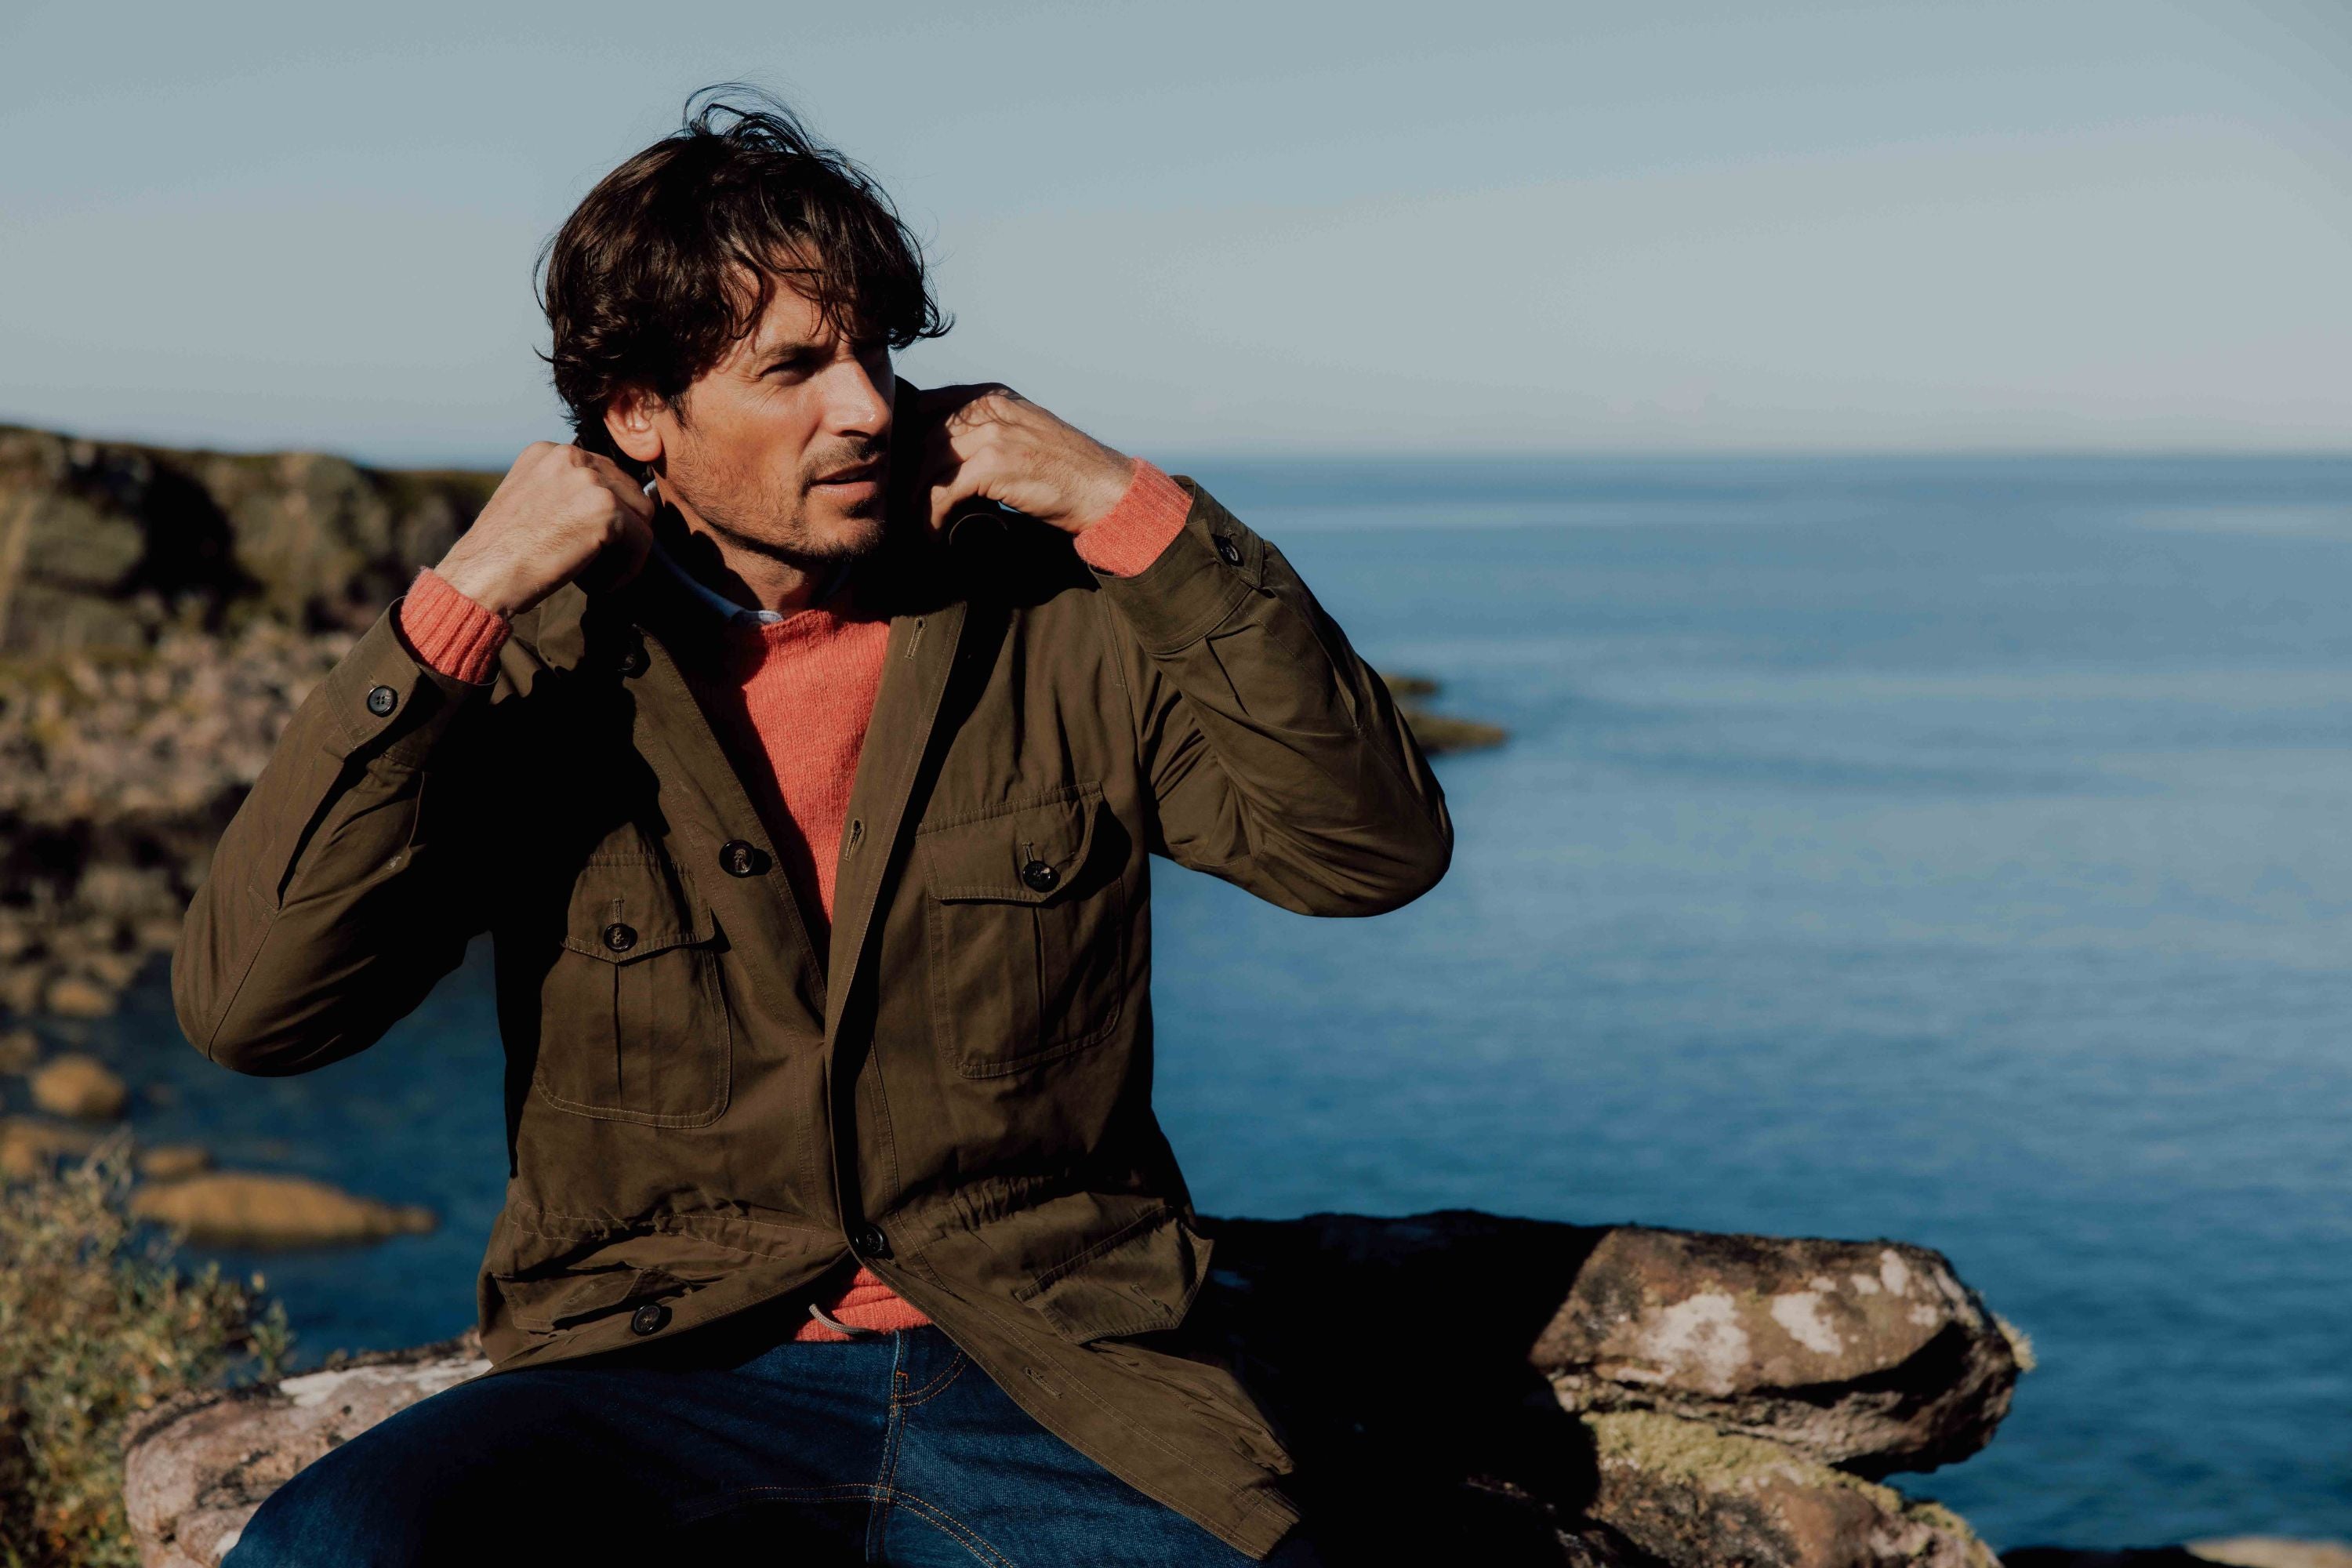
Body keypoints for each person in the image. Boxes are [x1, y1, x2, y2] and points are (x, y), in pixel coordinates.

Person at [178, 87, 1451, 1566]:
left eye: (873, 355)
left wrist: (1135, 515)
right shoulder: (542, 671)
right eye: (793, 369)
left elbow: (1371, 852)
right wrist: (456, 606)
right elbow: (252, 1011)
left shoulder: (1057, 629)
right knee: (324, 1549)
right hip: (655, 1370)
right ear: (641, 416)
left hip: (1051, 1375)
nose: (864, 407)